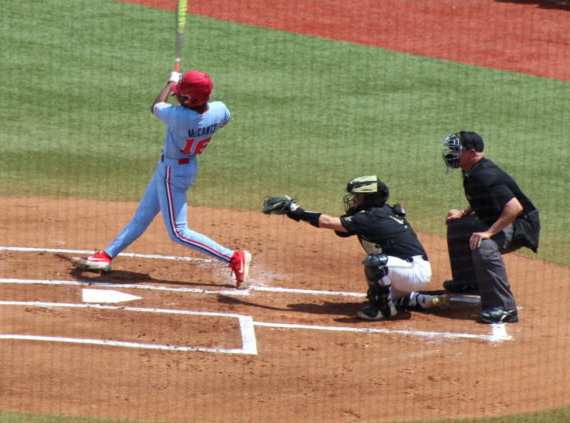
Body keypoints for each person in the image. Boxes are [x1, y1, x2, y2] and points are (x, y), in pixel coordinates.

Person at [71, 70, 251, 288]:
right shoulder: (220, 109)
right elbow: (221, 121)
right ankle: (107, 255)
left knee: (178, 232)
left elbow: (155, 105)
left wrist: (171, 82)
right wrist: (184, 91)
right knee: (143, 216)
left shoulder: (181, 117)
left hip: (173, 173)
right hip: (183, 166)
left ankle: (233, 258)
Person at [262, 176, 447, 321]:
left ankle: (383, 311)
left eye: (359, 196)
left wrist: (296, 210)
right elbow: (341, 230)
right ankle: (414, 299)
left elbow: (326, 222)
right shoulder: (373, 214)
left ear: (370, 198)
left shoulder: (372, 217)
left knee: (376, 265)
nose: (354, 200)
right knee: (375, 292)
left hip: (414, 270)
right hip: (406, 270)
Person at [441, 131, 540, 324]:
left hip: (521, 224)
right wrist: (463, 212)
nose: (451, 154)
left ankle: (504, 309)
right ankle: (468, 282)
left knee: (484, 246)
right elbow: (480, 198)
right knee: (458, 226)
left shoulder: (485, 174)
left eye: (456, 150)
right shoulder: (470, 169)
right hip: (502, 218)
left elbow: (514, 208)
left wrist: (488, 233)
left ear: (471, 152)